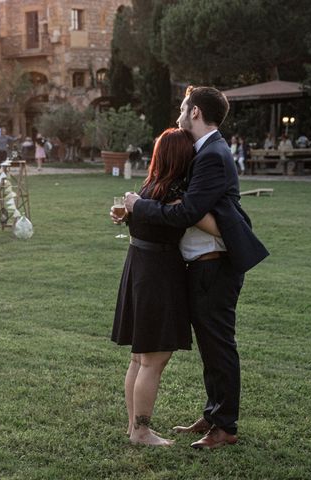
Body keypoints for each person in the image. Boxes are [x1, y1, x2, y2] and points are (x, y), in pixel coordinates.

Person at [124, 85, 269, 449]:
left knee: (219, 345)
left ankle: (225, 427)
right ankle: (213, 413)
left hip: (215, 265)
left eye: (183, 107)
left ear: (195, 113)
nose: (178, 114)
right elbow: (185, 203)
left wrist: (139, 207)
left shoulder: (213, 154)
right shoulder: (204, 152)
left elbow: (187, 212)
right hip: (201, 264)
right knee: (210, 346)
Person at [111, 128, 223, 446]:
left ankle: (134, 428)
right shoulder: (174, 196)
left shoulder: (147, 190)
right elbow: (210, 224)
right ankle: (142, 431)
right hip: (159, 275)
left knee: (139, 358)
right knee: (152, 360)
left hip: (139, 270)